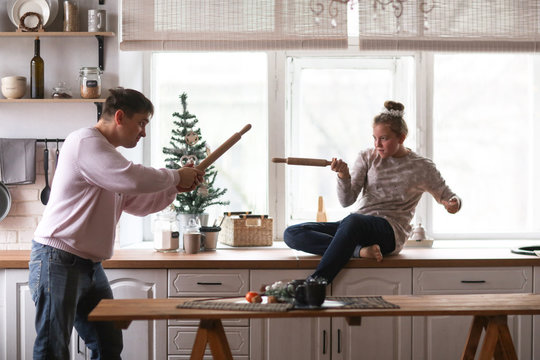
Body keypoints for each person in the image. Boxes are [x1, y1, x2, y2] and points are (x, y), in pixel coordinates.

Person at [28, 88, 204, 359]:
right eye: (142, 122)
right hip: (58, 259)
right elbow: (132, 179)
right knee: (53, 347)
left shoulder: (109, 160)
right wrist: (175, 175)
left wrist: (174, 189)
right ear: (120, 116)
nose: (143, 132)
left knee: (108, 345)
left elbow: (137, 203)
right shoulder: (85, 142)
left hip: (88, 266)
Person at [284, 100, 461, 284]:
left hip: (390, 232)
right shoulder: (367, 157)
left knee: (352, 221)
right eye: (375, 138)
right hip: (357, 226)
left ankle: (315, 283)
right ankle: (360, 251)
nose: (378, 144)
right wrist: (344, 176)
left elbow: (449, 197)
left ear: (401, 137)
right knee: (292, 233)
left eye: (384, 138)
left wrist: (453, 203)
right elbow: (347, 201)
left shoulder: (422, 167)